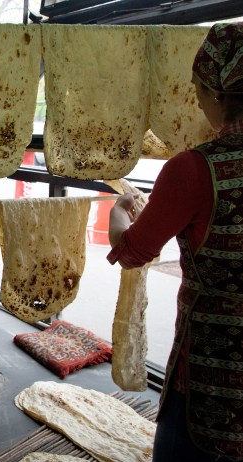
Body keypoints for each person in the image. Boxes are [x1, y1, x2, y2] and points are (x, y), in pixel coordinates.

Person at [107, 22, 243, 461]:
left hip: (212, 373)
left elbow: (132, 253)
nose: (195, 97)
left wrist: (119, 211)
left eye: (198, 87)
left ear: (219, 95)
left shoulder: (195, 170)